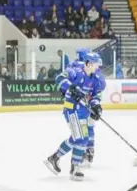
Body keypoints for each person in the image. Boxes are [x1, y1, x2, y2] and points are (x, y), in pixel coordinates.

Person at [44, 51, 103, 180]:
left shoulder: (95, 79)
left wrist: (96, 106)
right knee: (82, 138)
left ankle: (54, 158)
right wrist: (71, 88)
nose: (98, 67)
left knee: (78, 138)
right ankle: (74, 168)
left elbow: (96, 95)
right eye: (96, 64)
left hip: (83, 111)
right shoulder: (75, 72)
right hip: (72, 110)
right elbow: (59, 78)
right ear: (88, 63)